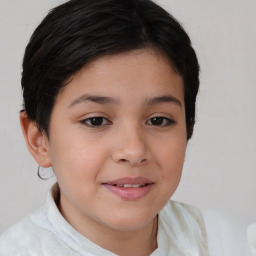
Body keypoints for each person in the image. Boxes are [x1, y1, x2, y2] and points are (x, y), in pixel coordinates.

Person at [0, 0, 248, 255]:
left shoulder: (229, 244)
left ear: (188, 128)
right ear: (39, 139)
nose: (133, 150)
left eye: (158, 120)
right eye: (96, 120)